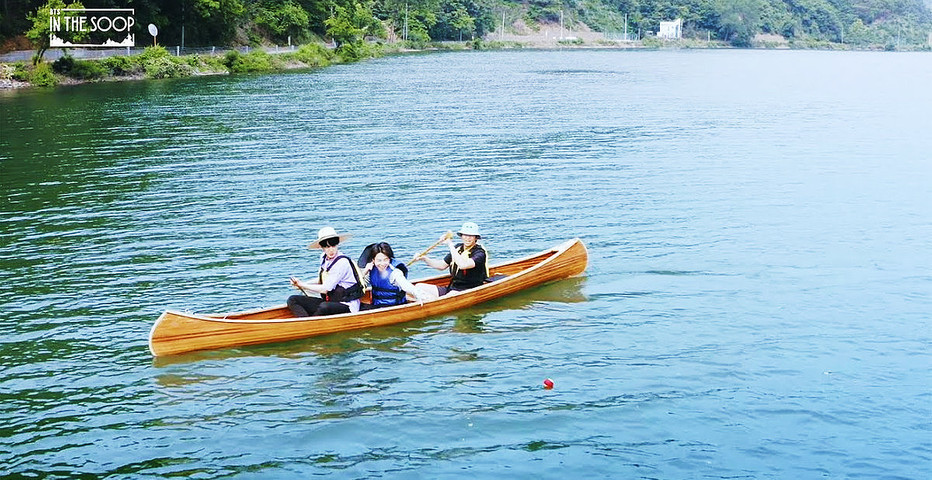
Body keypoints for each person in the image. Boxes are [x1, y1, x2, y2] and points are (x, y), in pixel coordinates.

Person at [287, 227, 363, 317]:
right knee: (293, 299)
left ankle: (310, 323)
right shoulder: (323, 258)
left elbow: (325, 289)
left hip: (346, 305)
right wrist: (301, 283)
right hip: (330, 301)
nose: (331, 250)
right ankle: (306, 322)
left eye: (333, 246)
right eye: (327, 247)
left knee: (324, 307)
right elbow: (321, 279)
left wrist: (302, 285)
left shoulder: (342, 262)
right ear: (321, 247)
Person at [414, 222, 488, 299]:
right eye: (465, 235)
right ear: (461, 236)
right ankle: (428, 300)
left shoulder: (479, 252)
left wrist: (450, 244)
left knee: (446, 297)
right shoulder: (457, 248)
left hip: (467, 289)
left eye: (471, 236)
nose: (467, 238)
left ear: (476, 238)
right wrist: (424, 259)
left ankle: (430, 301)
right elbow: (441, 266)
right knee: (418, 287)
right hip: (452, 287)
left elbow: (463, 265)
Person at [358, 242, 427, 309]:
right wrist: (365, 271)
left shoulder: (395, 272)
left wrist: (418, 295)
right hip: (377, 305)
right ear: (373, 260)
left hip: (393, 306)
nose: (382, 264)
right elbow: (357, 284)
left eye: (386, 260)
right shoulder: (371, 269)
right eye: (379, 260)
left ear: (389, 259)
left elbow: (406, 286)